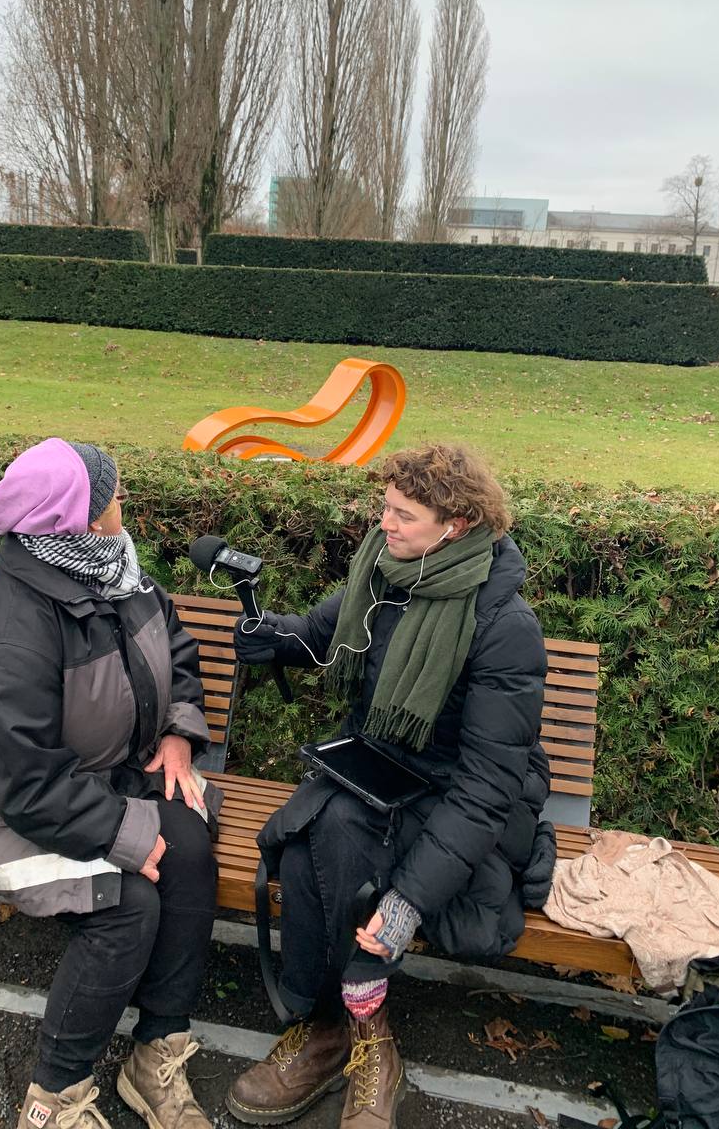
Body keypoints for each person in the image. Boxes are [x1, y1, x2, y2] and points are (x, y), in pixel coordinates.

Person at [225, 443, 556, 1129]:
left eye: (404, 514)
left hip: (461, 800)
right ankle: (342, 1029)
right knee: (317, 838)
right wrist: (270, 637)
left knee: (328, 838)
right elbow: (318, 635)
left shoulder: (504, 626)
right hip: (377, 772)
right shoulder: (384, 571)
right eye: (385, 507)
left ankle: (349, 1031)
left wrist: (409, 901)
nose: (385, 524)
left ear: (456, 525)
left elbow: (488, 788)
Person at [0, 438, 221, 1129]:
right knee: (126, 906)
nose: (125, 501)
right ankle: (54, 1096)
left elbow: (175, 647)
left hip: (104, 777)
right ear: (83, 519)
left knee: (189, 851)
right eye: (115, 493)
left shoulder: (116, 572)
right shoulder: (10, 634)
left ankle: (155, 1057)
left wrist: (178, 732)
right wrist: (123, 834)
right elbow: (25, 783)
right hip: (3, 809)